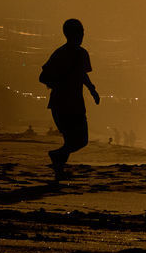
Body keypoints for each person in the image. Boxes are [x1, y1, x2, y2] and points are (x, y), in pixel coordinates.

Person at [39, 17, 100, 179]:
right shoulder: (63, 54)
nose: (82, 36)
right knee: (77, 141)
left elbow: (82, 75)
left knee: (78, 140)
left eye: (82, 32)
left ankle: (58, 165)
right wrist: (59, 83)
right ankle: (58, 163)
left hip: (73, 104)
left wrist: (92, 90)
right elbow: (43, 77)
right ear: (71, 34)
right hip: (63, 104)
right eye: (79, 33)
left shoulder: (79, 53)